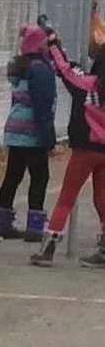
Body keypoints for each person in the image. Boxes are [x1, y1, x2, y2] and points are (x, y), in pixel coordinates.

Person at [39, 19, 105, 267]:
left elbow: (65, 69)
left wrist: (54, 42)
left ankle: (49, 246)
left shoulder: (88, 85)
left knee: (67, 196)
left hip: (85, 149)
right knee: (102, 198)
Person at [0, 25, 58, 242]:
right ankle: (35, 225)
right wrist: (48, 135)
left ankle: (2, 220)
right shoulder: (41, 69)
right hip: (32, 130)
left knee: (13, 175)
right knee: (40, 176)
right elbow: (42, 104)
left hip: (15, 128)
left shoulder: (19, 67)